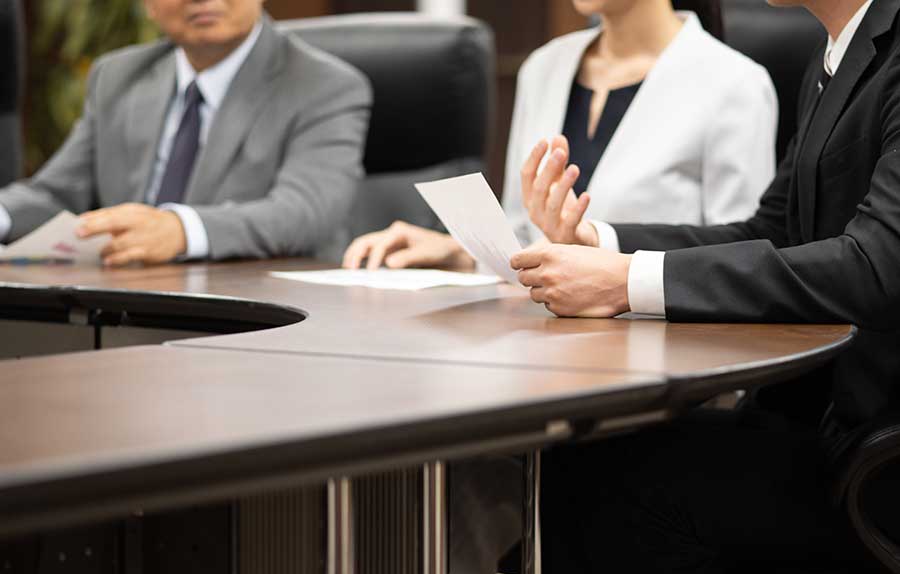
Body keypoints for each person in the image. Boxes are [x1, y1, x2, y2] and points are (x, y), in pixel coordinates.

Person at [511, 0, 900, 574]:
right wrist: (602, 242)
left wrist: (625, 283)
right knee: (571, 467)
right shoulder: (836, 51)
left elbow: (874, 265)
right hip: (826, 418)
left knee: (629, 490)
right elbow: (769, 230)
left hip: (877, 456)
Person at [342, 0, 777, 272]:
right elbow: (525, 236)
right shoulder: (544, 68)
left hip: (664, 353)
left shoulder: (734, 83)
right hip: (541, 339)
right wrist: (455, 252)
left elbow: (738, 260)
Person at [0, 0, 371, 266]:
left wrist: (182, 230)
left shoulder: (324, 85)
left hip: (263, 318)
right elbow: (55, 194)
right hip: (125, 300)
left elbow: (303, 211)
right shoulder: (118, 77)